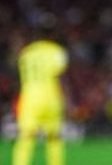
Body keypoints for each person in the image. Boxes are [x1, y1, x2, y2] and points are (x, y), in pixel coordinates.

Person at [12, 34, 69, 165]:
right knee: (54, 138)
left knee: (26, 137)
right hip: (51, 97)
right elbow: (61, 76)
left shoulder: (26, 52)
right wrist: (67, 99)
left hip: (30, 97)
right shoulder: (56, 50)